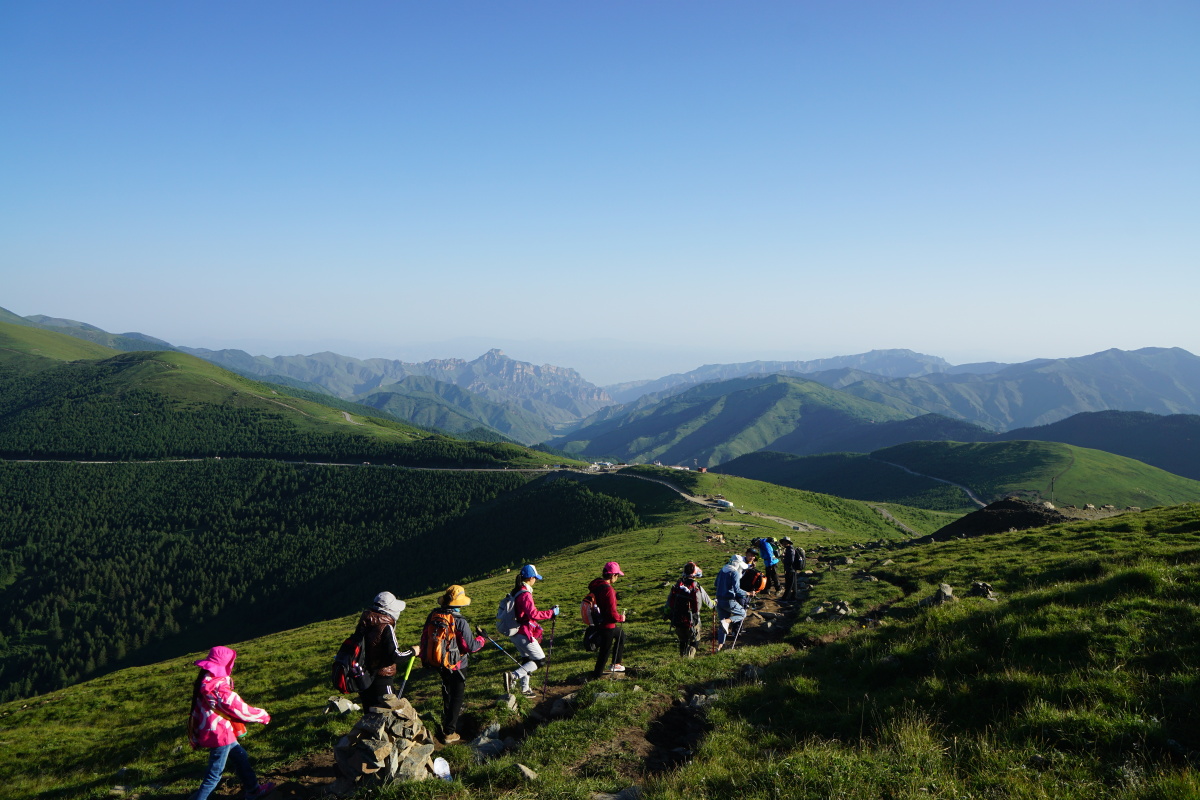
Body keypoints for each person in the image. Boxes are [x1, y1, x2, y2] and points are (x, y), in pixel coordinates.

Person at [187, 646, 275, 800]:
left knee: (240, 757)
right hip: (220, 733)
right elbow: (236, 707)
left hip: (215, 730)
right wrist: (262, 715)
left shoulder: (206, 679)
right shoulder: (218, 686)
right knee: (214, 775)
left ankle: (253, 789)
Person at [420, 585, 486, 744]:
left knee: (447, 689)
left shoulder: (434, 615)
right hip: (457, 663)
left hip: (439, 661)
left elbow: (425, 638)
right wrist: (483, 638)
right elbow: (470, 647)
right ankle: (449, 732)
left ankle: (448, 717)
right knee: (458, 694)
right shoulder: (460, 620)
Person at [502, 564, 559, 697]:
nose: (535, 581)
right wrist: (551, 613)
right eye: (535, 578)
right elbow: (533, 614)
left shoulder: (515, 591)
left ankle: (525, 689)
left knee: (527, 659)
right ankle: (513, 677)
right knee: (540, 660)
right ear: (531, 578)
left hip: (514, 631)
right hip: (523, 632)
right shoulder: (525, 594)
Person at [356, 591, 421, 707]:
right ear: (390, 609)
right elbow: (396, 656)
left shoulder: (364, 623)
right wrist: (413, 651)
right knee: (391, 711)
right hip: (382, 678)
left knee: (370, 715)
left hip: (363, 678)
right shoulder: (386, 627)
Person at [588, 561, 627, 678]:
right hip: (607, 625)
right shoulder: (608, 590)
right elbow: (611, 613)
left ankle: (616, 663)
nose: (618, 577)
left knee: (621, 635)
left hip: (597, 622)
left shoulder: (596, 585)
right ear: (613, 575)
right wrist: (621, 618)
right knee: (604, 652)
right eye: (617, 575)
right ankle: (597, 677)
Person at [668, 561, 713, 658]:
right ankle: (688, 660)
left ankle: (682, 659)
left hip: (677, 618)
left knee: (683, 640)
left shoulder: (677, 586)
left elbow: (669, 602)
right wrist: (715, 603)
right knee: (695, 641)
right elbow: (708, 602)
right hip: (692, 619)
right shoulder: (696, 587)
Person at [715, 554, 750, 650]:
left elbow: (715, 583)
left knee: (722, 625)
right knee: (742, 614)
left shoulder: (722, 570)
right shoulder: (734, 573)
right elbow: (737, 590)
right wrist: (748, 593)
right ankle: (727, 621)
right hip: (729, 600)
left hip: (719, 600)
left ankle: (720, 646)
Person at [780, 537, 799, 602]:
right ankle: (794, 597)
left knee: (789, 584)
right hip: (792, 569)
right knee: (793, 584)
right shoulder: (790, 549)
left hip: (790, 569)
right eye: (783, 542)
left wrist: (784, 559)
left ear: (788, 543)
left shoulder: (790, 550)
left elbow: (791, 560)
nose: (783, 543)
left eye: (785, 542)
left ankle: (785, 598)